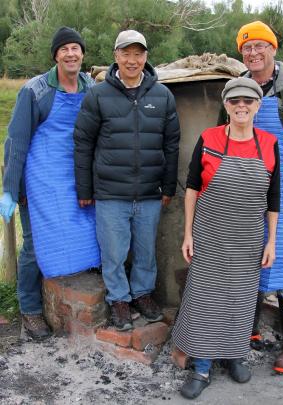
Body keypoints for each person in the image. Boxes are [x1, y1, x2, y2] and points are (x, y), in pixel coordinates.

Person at [219, 20, 283, 375]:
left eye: (260, 46)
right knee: (245, 249)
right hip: (245, 180)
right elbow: (223, 132)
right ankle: (244, 328)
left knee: (279, 255)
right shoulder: (238, 87)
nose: (253, 52)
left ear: (273, 49)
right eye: (247, 48)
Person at [173, 77, 280, 400]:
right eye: (235, 101)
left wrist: (271, 241)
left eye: (248, 101)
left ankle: (234, 355)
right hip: (209, 235)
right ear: (226, 105)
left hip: (248, 239)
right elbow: (191, 188)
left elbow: (273, 198)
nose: (241, 106)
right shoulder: (209, 139)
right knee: (205, 300)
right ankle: (202, 366)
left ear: (258, 106)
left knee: (241, 298)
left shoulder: (270, 143)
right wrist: (188, 233)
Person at [73, 30, 180, 331]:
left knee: (146, 251)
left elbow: (171, 145)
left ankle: (143, 294)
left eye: (138, 53)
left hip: (149, 192)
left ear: (146, 57)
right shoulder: (97, 95)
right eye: (126, 53)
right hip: (110, 192)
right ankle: (119, 299)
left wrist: (168, 186)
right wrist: (85, 188)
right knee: (114, 252)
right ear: (116, 55)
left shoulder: (162, 96)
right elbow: (83, 143)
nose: (132, 60)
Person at [0, 27, 99, 339]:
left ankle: (86, 286)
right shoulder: (36, 90)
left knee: (88, 229)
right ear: (55, 55)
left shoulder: (91, 86)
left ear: (83, 54)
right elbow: (16, 141)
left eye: (76, 48)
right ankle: (30, 309)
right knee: (34, 243)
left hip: (76, 175)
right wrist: (11, 188)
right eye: (64, 49)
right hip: (42, 177)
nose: (71, 54)